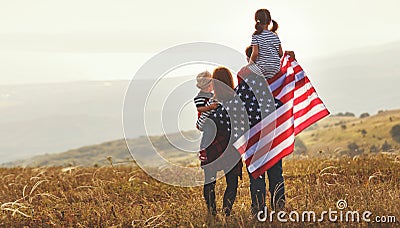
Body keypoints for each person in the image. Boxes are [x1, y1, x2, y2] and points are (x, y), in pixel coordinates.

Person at [199, 67, 242, 216]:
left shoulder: (210, 103)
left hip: (212, 147)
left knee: (209, 181)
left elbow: (200, 126)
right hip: (231, 146)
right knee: (232, 181)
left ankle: (212, 214)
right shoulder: (237, 101)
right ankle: (226, 212)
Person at [249, 9, 283, 79]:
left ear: (257, 21)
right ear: (270, 21)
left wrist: (249, 64)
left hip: (262, 68)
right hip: (276, 68)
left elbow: (255, 53)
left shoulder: (256, 35)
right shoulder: (275, 35)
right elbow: (280, 53)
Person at [193, 71, 219, 161]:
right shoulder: (199, 97)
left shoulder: (211, 95)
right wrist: (210, 107)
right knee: (208, 131)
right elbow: (200, 109)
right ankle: (203, 148)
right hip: (204, 120)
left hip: (210, 118)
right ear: (209, 85)